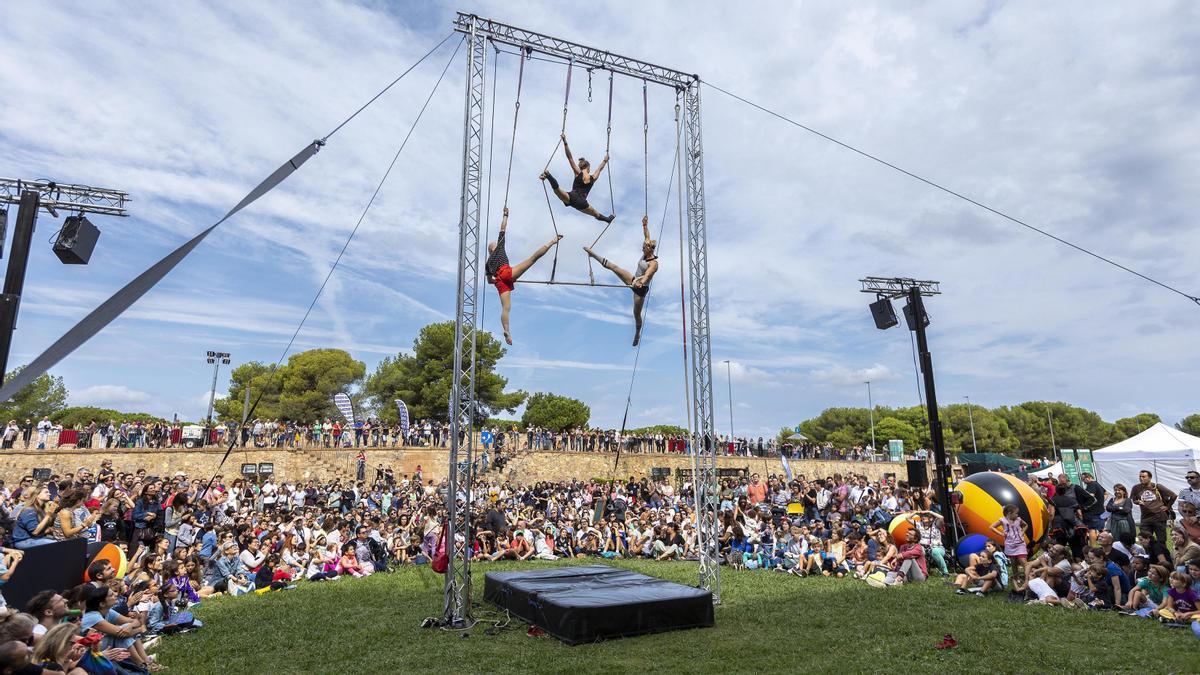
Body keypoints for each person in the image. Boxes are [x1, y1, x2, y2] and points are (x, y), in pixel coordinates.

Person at [484, 207, 564, 345]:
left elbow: (489, 281)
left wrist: (497, 279)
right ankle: (552, 241)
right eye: (495, 245)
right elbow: (502, 228)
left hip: (500, 281)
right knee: (532, 259)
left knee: (506, 308)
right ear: (494, 248)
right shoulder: (500, 248)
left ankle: (507, 332)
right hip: (507, 272)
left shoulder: (488, 263)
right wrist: (505, 215)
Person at [583, 215, 660, 346]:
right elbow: (647, 235)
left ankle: (637, 333)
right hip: (633, 279)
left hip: (640, 289)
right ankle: (593, 254)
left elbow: (648, 274)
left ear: (649, 249)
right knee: (614, 267)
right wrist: (645, 225)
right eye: (642, 246)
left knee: (636, 315)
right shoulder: (646, 249)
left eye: (644, 247)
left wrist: (641, 282)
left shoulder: (653, 263)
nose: (642, 248)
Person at [539, 134, 613, 223]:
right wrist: (605, 160)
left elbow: (569, 157)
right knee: (596, 214)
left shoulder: (578, 172)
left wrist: (565, 142)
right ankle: (608, 219)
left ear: (582, 166)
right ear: (588, 168)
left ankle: (548, 175)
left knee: (557, 190)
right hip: (582, 203)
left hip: (571, 196)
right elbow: (600, 169)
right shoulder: (593, 177)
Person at [1129, 469, 1176, 544]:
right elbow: (1134, 500)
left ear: (1150, 478)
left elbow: (1174, 495)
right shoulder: (1136, 488)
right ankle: (1149, 555)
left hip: (1159, 517)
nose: (1141, 478)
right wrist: (1138, 502)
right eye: (1140, 476)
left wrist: (1167, 506)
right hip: (1145, 518)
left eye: (1144, 477)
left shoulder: (1157, 486)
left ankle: (1163, 555)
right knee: (1145, 540)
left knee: (1161, 540)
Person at [12, 484, 58, 550]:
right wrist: (48, 515)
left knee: (61, 541)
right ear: (37, 495)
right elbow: (35, 532)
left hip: (36, 538)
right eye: (46, 492)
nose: (49, 494)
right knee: (54, 544)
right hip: (24, 541)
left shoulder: (40, 509)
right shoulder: (29, 510)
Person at [990, 504, 1029, 581]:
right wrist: (1001, 534)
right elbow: (991, 527)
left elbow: (1026, 525)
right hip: (1010, 544)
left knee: (1023, 561)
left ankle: (1029, 577)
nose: (1017, 515)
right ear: (1009, 513)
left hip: (1020, 543)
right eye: (1016, 513)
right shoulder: (1002, 520)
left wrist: (1023, 531)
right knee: (1013, 562)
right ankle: (1016, 578)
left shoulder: (1018, 519)